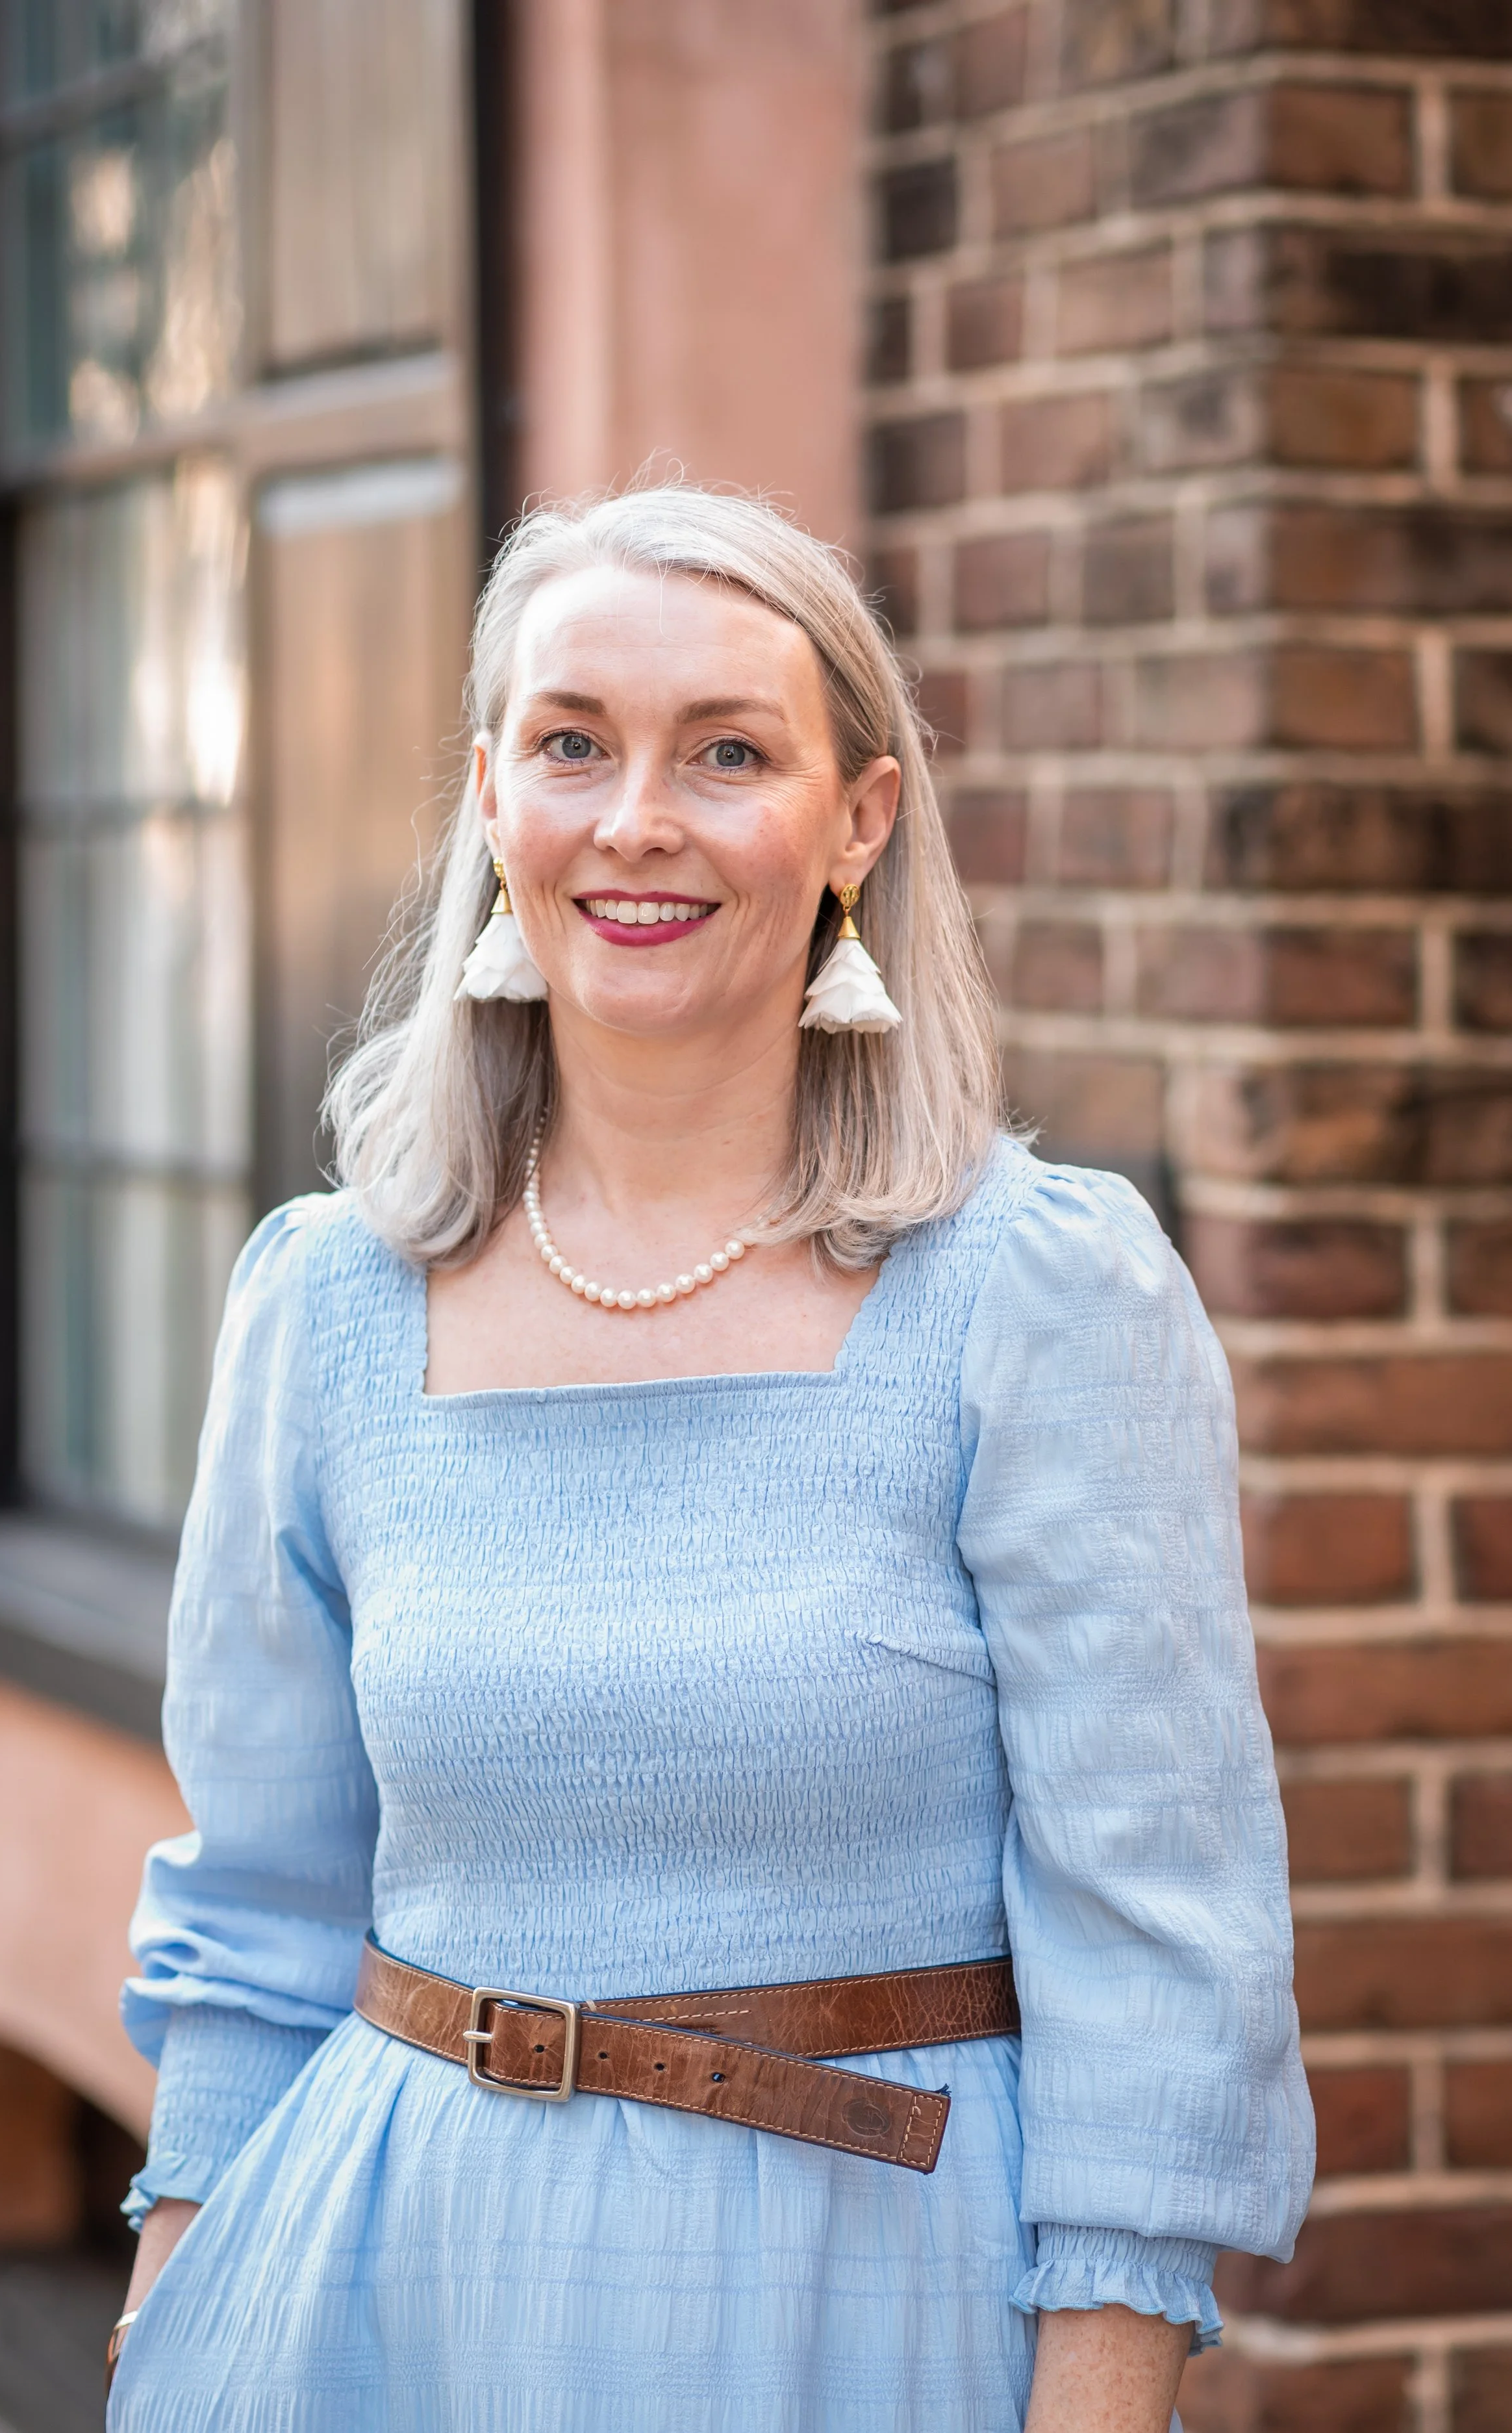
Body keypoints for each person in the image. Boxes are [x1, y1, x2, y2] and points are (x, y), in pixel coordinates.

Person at [107, 485, 1313, 2432]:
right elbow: (258, 1899)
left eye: (728, 752)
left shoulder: (1035, 1298)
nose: (637, 818)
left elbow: (1159, 1930)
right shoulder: (325, 1302)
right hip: (371, 2307)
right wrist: (165, 2323)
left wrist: (1103, 2389)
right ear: (494, 795)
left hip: (869, 2304)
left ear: (858, 819)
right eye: (572, 742)